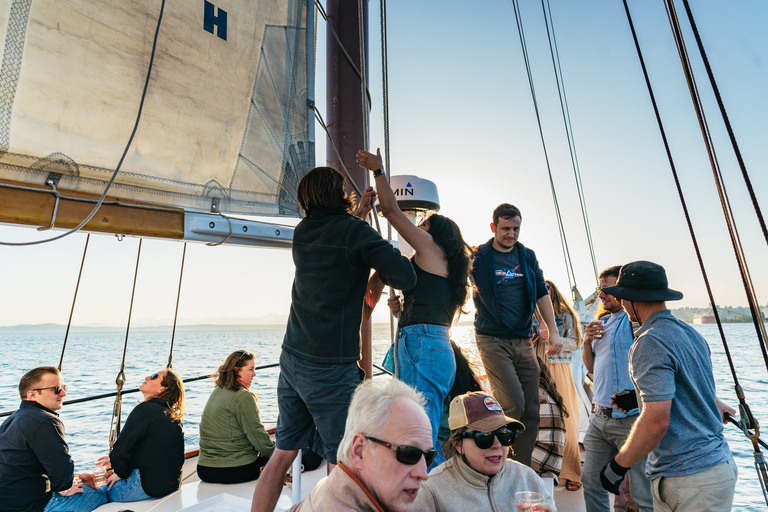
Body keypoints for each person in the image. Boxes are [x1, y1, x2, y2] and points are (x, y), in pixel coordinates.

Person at [252, 167, 417, 512]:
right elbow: (405, 276)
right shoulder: (355, 233)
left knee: (282, 453)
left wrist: (359, 219)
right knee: (340, 461)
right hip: (329, 368)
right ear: (337, 193)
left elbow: (337, 241)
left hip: (292, 358)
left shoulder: (303, 232)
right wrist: (367, 232)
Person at [356, 149, 473, 468]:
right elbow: (427, 308)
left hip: (424, 348)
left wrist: (379, 172)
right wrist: (399, 313)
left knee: (420, 436)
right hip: (423, 347)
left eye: (424, 226)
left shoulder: (432, 249)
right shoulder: (438, 265)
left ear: (435, 235)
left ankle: (429, 497)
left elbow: (392, 212)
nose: (418, 229)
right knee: (416, 431)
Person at [600, 261, 737, 511]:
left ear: (631, 299)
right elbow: (692, 388)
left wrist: (617, 466)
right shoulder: (690, 333)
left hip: (689, 479)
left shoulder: (648, 342)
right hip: (717, 467)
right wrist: (639, 397)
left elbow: (656, 422)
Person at [471, 203, 562, 466]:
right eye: (506, 228)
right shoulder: (479, 256)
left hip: (523, 340)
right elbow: (450, 276)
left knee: (532, 409)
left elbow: (542, 293)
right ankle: (495, 460)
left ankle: (519, 467)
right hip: (492, 339)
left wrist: (553, 332)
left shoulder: (527, 256)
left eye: (516, 228)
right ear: (493, 227)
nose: (511, 234)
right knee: (513, 403)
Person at [287, 377, 433, 512]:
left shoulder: (328, 487)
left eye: (428, 457)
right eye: (409, 453)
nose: (424, 474)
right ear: (359, 451)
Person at [581, 266, 653, 512]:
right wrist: (586, 342)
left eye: (608, 289)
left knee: (644, 492)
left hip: (630, 419)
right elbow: (590, 369)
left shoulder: (636, 323)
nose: (602, 295)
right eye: (601, 289)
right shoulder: (601, 322)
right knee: (591, 482)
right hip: (599, 418)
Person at [413, 391, 555, 512]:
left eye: (505, 433)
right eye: (484, 436)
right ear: (457, 444)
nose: (497, 444)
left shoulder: (527, 478)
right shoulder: (432, 491)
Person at [0, 366, 108, 512]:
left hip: (8, 502)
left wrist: (68, 483)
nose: (63, 393)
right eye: (56, 389)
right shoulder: (45, 421)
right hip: (33, 506)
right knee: (99, 494)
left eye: (63, 387)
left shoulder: (11, 420)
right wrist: (65, 488)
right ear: (32, 395)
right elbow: (61, 470)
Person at [101, 368, 185, 502]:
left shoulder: (144, 410)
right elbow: (155, 453)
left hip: (145, 488)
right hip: (170, 486)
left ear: (162, 389)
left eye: (154, 376)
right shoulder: (172, 413)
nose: (147, 377)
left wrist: (121, 473)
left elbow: (119, 452)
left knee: (97, 492)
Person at [197, 350, 275, 483]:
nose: (254, 374)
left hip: (205, 469)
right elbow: (258, 438)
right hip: (235, 469)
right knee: (299, 456)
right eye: (251, 369)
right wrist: (281, 456)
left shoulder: (218, 390)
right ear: (236, 370)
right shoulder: (243, 396)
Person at [535, 279, 582, 490]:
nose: (543, 291)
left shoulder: (565, 315)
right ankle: (542, 470)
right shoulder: (529, 315)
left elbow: (575, 342)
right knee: (540, 418)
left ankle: (572, 472)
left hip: (558, 367)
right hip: (535, 366)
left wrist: (555, 340)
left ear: (553, 291)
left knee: (566, 418)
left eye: (547, 287)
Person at [531, 356, 567, 484]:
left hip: (539, 469)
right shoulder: (543, 394)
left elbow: (546, 447)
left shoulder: (538, 397)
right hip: (547, 466)